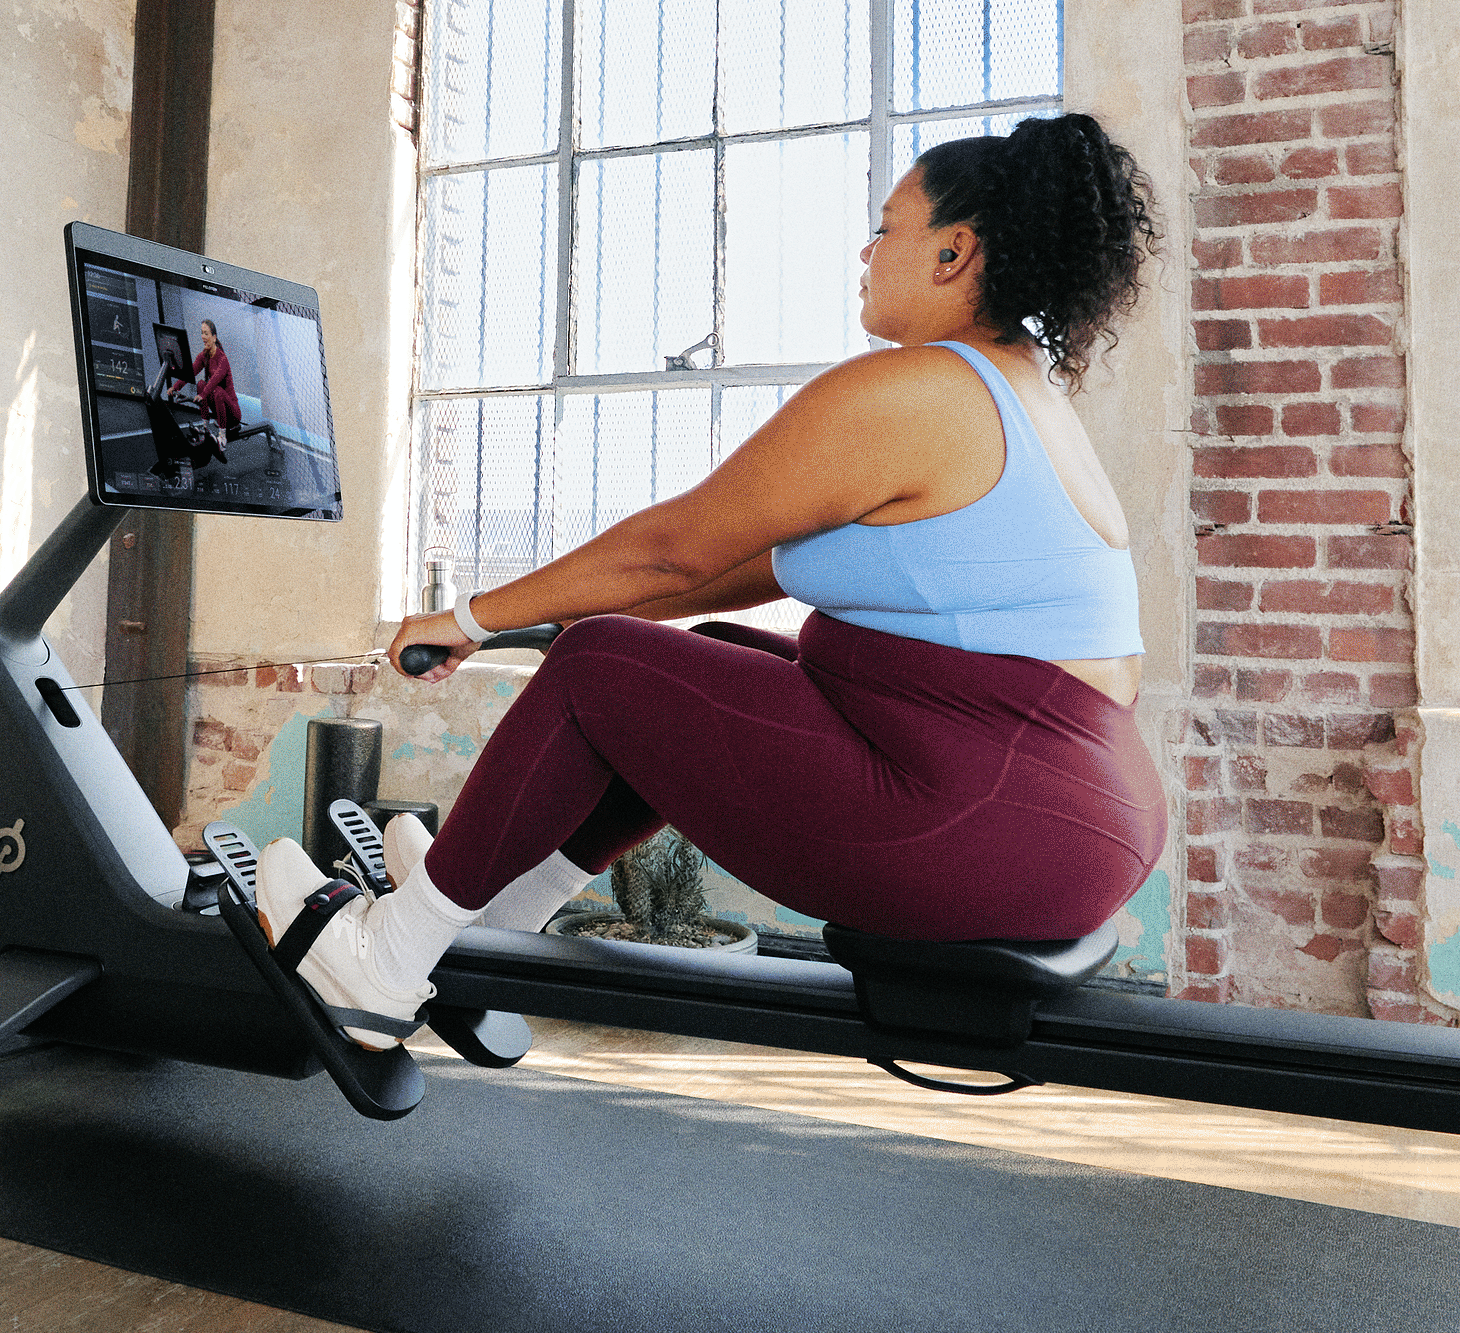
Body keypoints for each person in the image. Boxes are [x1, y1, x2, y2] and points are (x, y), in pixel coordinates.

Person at [256, 111, 1166, 1052]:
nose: (867, 248)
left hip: (991, 827)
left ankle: (386, 967)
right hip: (1074, 823)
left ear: (951, 252)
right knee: (685, 661)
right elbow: (729, 575)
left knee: (602, 665)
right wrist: (516, 628)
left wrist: (467, 617)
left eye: (888, 226)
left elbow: (672, 550)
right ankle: (494, 916)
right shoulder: (1020, 391)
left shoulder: (922, 390)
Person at [190, 317, 243, 440]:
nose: (203, 336)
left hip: (233, 414)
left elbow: (214, 381)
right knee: (201, 384)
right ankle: (204, 428)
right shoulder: (204, 355)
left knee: (217, 390)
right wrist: (175, 387)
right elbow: (190, 372)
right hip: (219, 411)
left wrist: (203, 395)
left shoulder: (222, 359)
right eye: (202, 333)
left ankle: (222, 437)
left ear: (214, 337)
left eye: (206, 333)